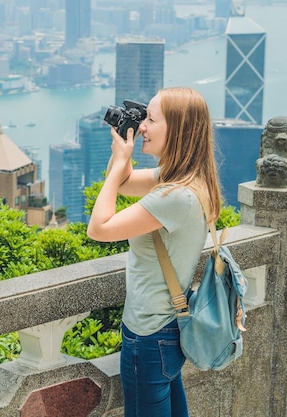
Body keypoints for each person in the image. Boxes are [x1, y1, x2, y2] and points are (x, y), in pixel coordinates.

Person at [87, 87, 222, 417]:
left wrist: (121, 161)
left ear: (177, 130)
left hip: (147, 336)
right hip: (169, 329)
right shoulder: (188, 180)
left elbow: (99, 229)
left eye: (151, 119)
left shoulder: (175, 196)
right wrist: (121, 154)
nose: (143, 126)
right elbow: (122, 182)